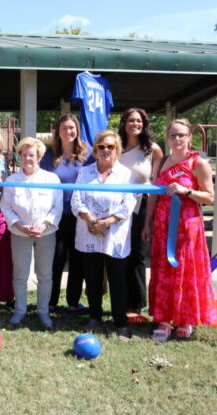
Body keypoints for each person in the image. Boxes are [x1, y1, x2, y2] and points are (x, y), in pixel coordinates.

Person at [142, 118, 216, 341]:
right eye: (173, 135)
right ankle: (164, 320)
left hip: (187, 226)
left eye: (181, 135)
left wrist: (186, 191)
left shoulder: (198, 163)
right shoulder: (160, 162)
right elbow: (154, 194)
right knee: (164, 270)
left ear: (189, 138)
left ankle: (185, 320)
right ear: (167, 137)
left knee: (185, 271)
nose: (176, 139)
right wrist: (147, 223)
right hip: (163, 225)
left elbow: (210, 197)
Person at [71, 129, 136, 340]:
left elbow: (129, 203)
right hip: (88, 231)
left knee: (118, 280)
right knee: (92, 279)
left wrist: (107, 222)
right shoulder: (84, 172)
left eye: (111, 146)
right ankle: (95, 317)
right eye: (102, 146)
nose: (106, 150)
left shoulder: (125, 174)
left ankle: (120, 322)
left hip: (115, 234)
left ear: (117, 150)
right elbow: (76, 200)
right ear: (95, 150)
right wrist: (91, 220)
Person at [0, 137, 62, 328]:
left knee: (45, 274)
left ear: (40, 156)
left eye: (32, 155)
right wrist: (19, 225)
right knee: (20, 274)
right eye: (24, 155)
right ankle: (20, 310)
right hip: (20, 234)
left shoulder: (52, 179)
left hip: (46, 233)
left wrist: (44, 226)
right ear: (20, 157)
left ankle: (43, 312)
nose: (28, 158)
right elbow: (6, 206)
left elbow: (57, 206)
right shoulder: (11, 180)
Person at [40, 114, 88, 313]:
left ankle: (73, 302)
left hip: (80, 216)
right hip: (57, 215)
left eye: (71, 128)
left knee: (77, 260)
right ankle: (50, 302)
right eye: (64, 128)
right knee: (57, 259)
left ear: (76, 130)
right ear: (57, 132)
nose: (68, 132)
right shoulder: (48, 155)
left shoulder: (88, 154)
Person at [118, 108, 163, 320]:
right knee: (119, 254)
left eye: (138, 121)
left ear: (144, 124)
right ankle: (120, 301)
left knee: (137, 254)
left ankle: (136, 305)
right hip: (117, 206)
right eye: (130, 120)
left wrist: (147, 223)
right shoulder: (115, 146)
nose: (134, 124)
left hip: (141, 206)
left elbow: (156, 185)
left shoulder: (153, 150)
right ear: (124, 123)